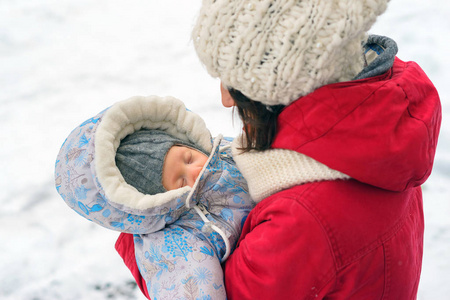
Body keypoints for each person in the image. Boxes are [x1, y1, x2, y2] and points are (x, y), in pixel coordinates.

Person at [190, 0, 442, 299]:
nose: (226, 100)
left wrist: (145, 227)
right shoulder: (380, 132)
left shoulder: (301, 221)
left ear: (283, 88)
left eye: (235, 83)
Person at [54, 95, 253, 300]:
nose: (196, 170)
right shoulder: (176, 241)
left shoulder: (225, 151)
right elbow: (189, 288)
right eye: (181, 181)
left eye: (188, 158)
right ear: (161, 200)